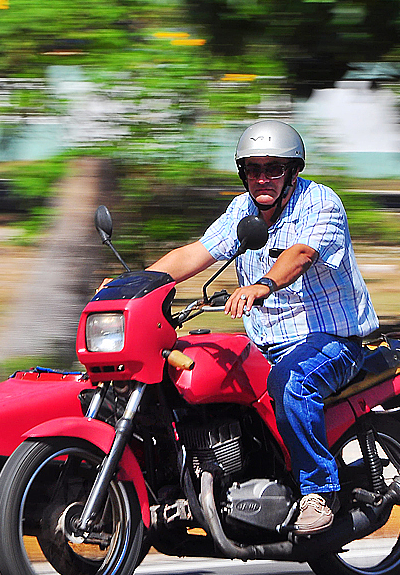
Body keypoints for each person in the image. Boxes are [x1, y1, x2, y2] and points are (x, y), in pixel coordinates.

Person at [147, 120, 379, 534]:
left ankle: (320, 492)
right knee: (187, 373)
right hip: (263, 343)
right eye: (252, 169)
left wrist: (263, 284)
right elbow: (192, 255)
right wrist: (133, 286)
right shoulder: (242, 211)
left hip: (328, 339)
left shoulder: (320, 202)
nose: (262, 178)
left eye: (272, 168)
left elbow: (302, 254)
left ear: (292, 170)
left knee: (292, 383)